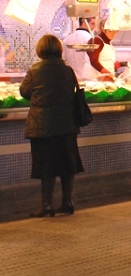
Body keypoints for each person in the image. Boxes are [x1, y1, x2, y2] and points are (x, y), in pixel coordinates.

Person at [19, 34, 84, 217]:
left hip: (43, 126)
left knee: (46, 165)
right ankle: (68, 202)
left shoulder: (35, 70)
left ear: (40, 50)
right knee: (67, 164)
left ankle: (46, 205)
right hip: (67, 125)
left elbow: (24, 92)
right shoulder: (68, 70)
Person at [63, 16, 99, 80]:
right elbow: (91, 60)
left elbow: (64, 59)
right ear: (84, 23)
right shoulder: (90, 38)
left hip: (71, 77)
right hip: (86, 78)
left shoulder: (67, 39)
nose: (94, 27)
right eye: (92, 24)